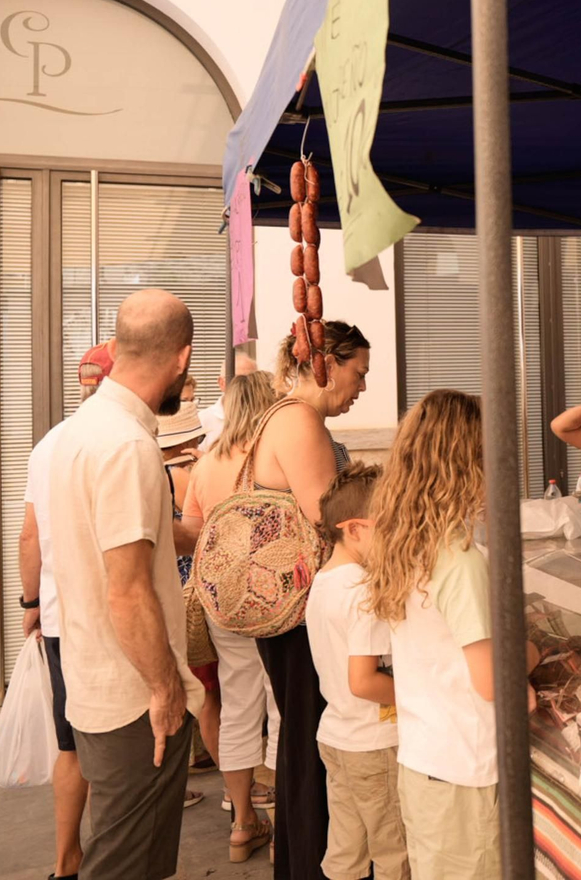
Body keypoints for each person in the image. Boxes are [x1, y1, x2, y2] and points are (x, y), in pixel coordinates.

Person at [48, 290, 204, 880]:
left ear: (115, 349)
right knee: (124, 866)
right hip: (132, 697)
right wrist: (165, 692)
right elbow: (128, 590)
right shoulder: (128, 445)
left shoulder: (84, 428)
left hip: (98, 682)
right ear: (183, 359)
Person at [365, 390, 539, 880]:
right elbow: (490, 679)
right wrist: (529, 652)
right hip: (467, 772)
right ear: (471, 461)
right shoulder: (460, 559)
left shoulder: (408, 541)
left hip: (426, 762)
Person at [255, 320, 372, 880]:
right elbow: (330, 519)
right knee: (310, 740)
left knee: (305, 737)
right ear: (326, 364)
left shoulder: (290, 415)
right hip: (300, 612)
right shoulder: (301, 421)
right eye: (358, 373)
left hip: (297, 609)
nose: (363, 387)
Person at [15, 345, 114, 880]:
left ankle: (66, 860)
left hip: (58, 618)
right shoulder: (118, 441)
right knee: (118, 737)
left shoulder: (48, 444)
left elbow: (30, 536)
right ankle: (115, 855)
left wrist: (32, 604)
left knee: (71, 743)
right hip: (105, 617)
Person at [180, 369, 282, 862]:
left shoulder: (206, 463)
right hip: (278, 600)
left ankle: (242, 823)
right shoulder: (273, 454)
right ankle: (289, 821)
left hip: (225, 603)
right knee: (283, 706)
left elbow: (191, 533)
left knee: (239, 707)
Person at [306, 464, 406, 880]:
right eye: (391, 526)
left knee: (345, 848)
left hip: (337, 735)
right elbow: (365, 681)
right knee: (394, 851)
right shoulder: (364, 590)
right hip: (375, 743)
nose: (400, 536)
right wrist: (422, 693)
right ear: (355, 529)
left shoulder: (325, 582)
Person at [158, 400, 220, 808]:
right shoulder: (181, 472)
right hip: (191, 595)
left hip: (169, 595)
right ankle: (241, 787)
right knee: (209, 697)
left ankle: (172, 786)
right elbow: (200, 533)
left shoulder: (154, 470)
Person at [200, 348, 260, 453]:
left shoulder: (264, 417)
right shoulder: (203, 420)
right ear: (222, 383)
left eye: (251, 379)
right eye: (238, 379)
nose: (245, 386)